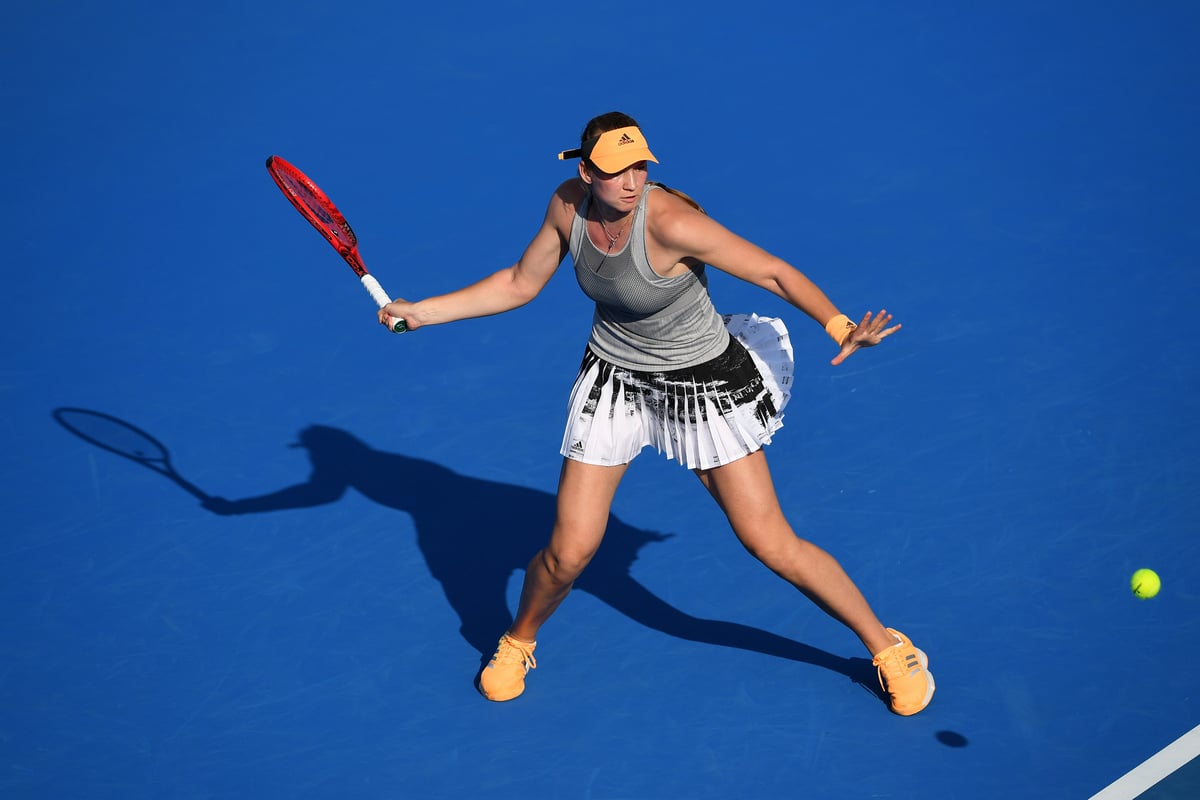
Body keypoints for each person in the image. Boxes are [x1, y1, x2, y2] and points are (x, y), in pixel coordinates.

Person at [378, 111, 934, 716]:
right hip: (615, 379)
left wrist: (839, 324)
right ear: (586, 171)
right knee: (568, 552)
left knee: (769, 542)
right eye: (617, 170)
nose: (632, 181)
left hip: (700, 385)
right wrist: (424, 311)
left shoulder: (670, 222)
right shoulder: (568, 206)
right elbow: (518, 282)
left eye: (641, 166)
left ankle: (887, 647)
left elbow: (772, 269)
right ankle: (519, 640)